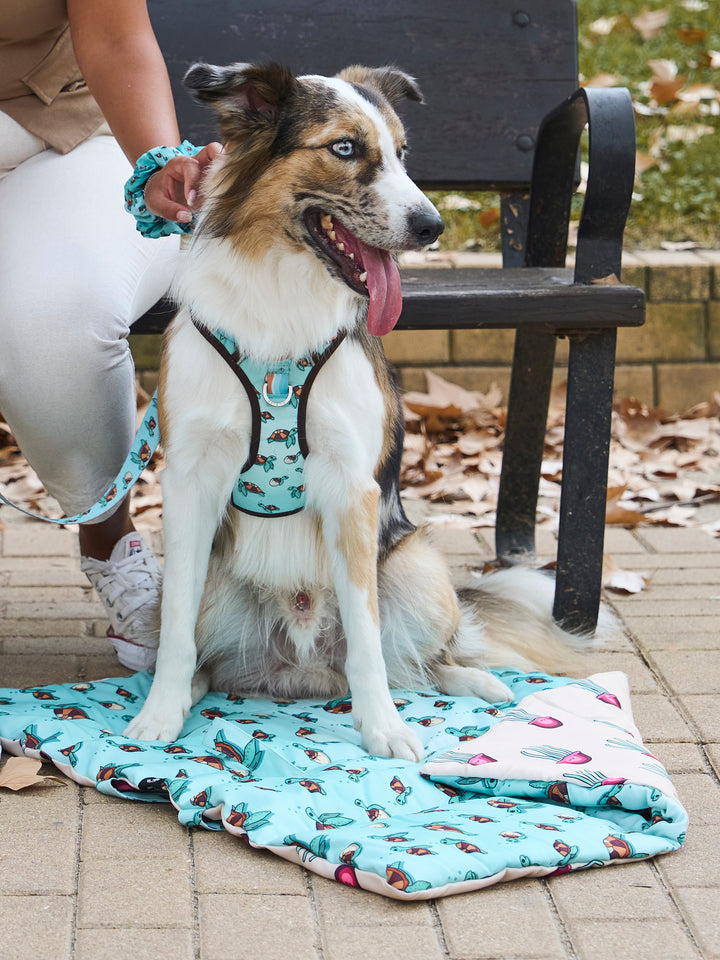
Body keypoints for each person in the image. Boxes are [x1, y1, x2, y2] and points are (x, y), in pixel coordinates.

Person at [0, 0, 221, 669]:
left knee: (54, 322)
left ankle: (109, 540)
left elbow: (117, 39)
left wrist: (157, 163)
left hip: (66, 134)